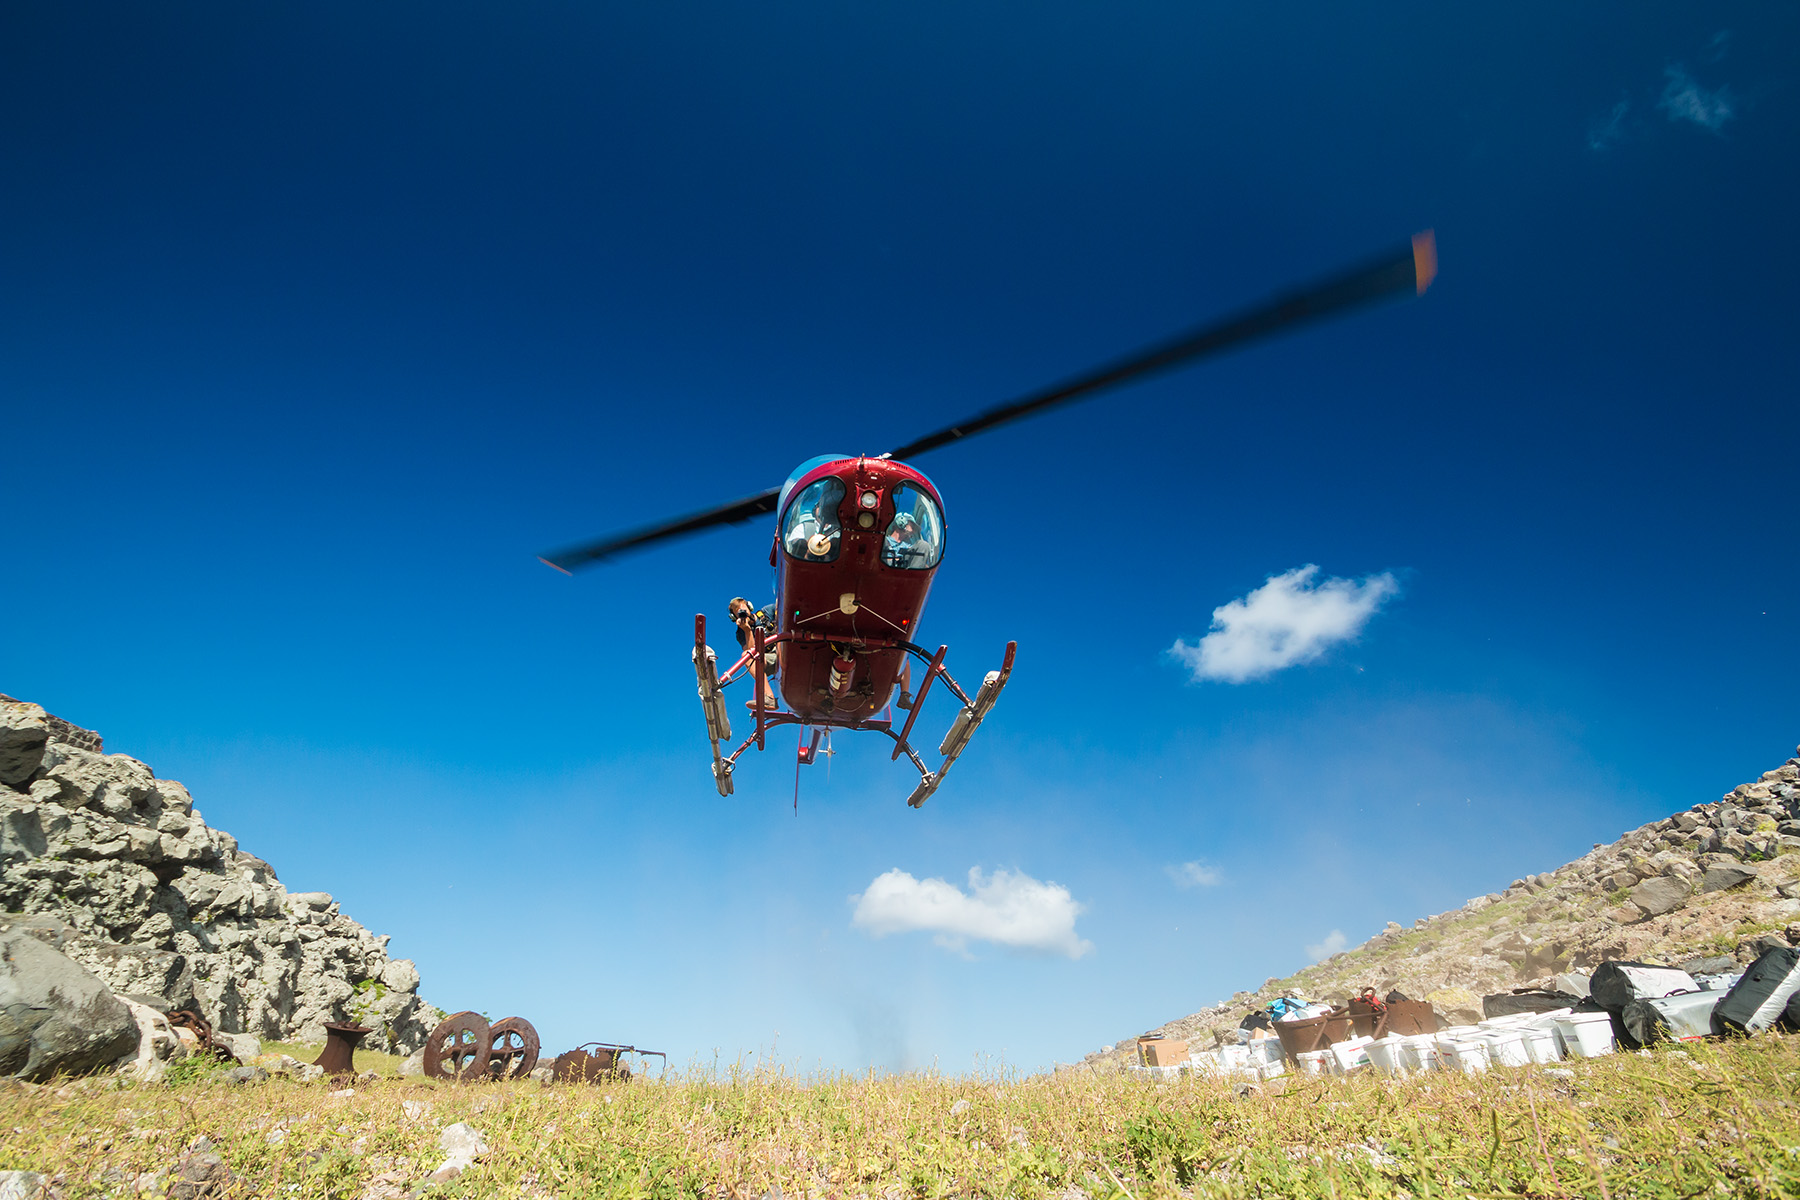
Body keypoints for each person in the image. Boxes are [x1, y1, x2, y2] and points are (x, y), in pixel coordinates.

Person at [728, 597, 780, 711]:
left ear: (750, 608)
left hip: (786, 647)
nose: (744, 615)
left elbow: (784, 609)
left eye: (744, 611)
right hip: (772, 659)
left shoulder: (767, 612)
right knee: (746, 656)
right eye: (740, 614)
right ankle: (769, 698)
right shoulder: (741, 634)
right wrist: (747, 630)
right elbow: (752, 654)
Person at [785, 492, 841, 561]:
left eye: (828, 508)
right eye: (820, 506)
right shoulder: (802, 527)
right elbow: (795, 547)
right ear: (814, 510)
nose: (823, 510)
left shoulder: (839, 532)